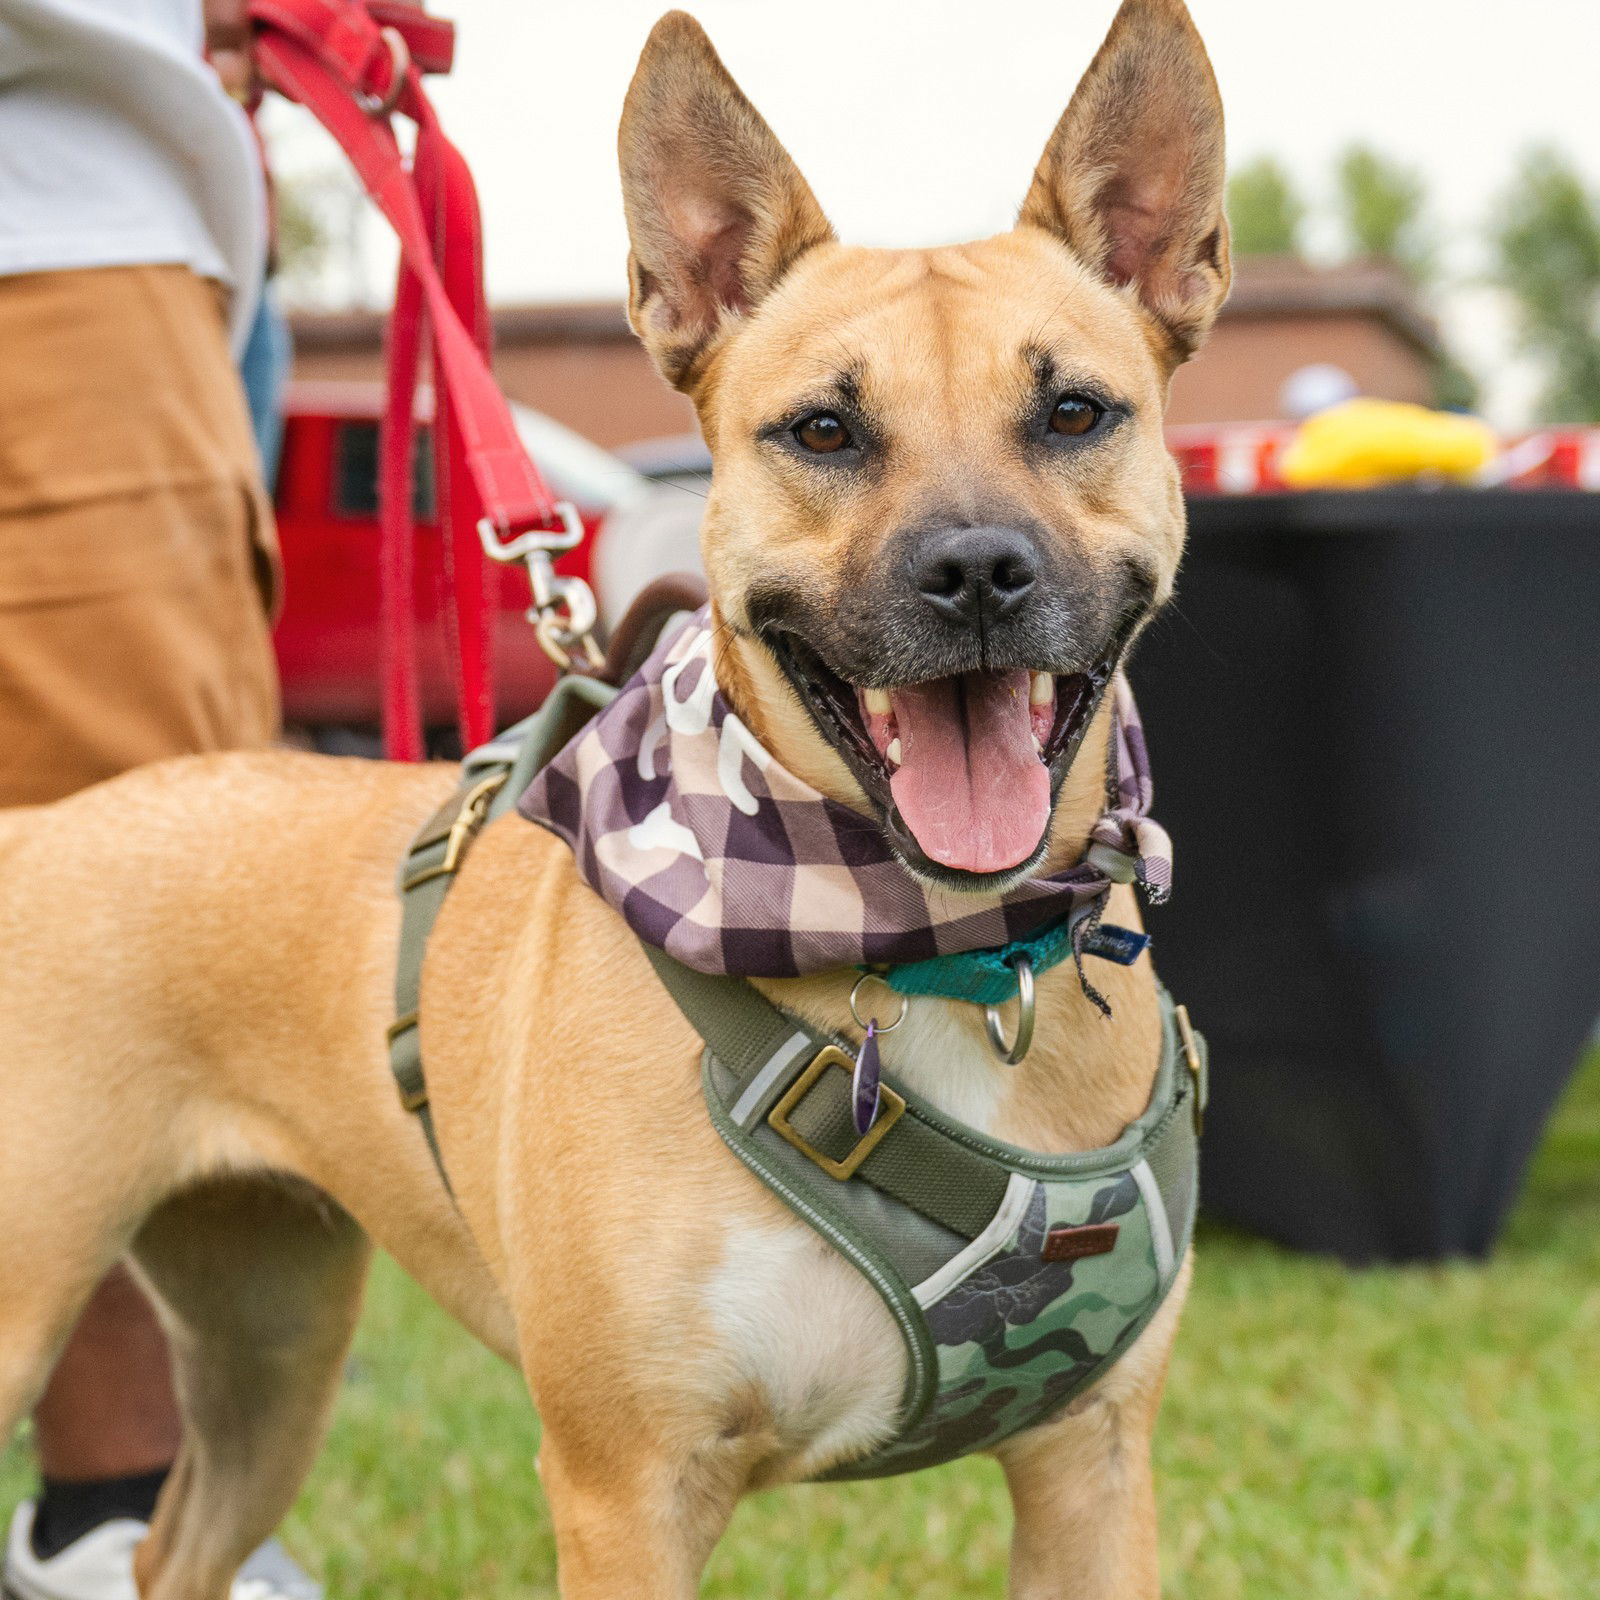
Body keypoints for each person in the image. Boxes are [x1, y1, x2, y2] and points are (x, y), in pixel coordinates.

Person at [0, 1, 310, 1594]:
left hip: (151, 204)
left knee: (145, 942)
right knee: (124, 928)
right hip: (45, 211)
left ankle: (113, 1520)